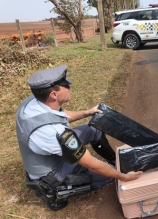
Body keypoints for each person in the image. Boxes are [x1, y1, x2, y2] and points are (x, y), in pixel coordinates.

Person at [16, 65, 142, 210]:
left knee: (93, 129)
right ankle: (54, 193)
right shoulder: (53, 132)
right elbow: (90, 162)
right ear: (54, 95)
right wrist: (123, 176)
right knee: (108, 174)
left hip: (51, 152)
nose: (69, 86)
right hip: (51, 172)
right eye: (65, 86)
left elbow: (57, 116)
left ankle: (113, 160)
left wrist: (88, 112)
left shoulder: (33, 102)